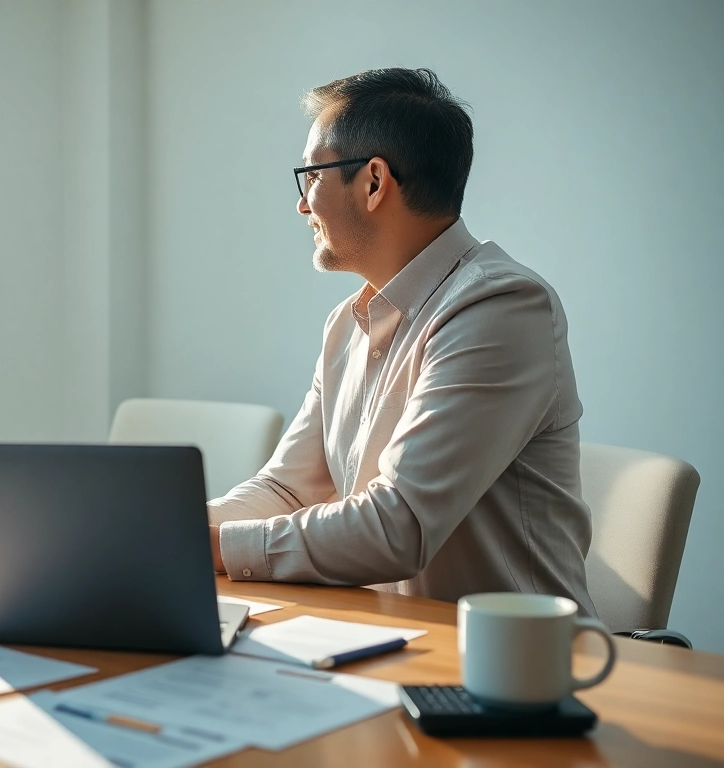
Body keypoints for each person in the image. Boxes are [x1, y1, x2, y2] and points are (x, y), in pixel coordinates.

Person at [207, 68, 595, 614]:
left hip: (515, 669)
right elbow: (291, 489)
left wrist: (218, 548)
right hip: (397, 641)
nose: (302, 205)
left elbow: (399, 525)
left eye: (311, 177)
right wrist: (180, 529)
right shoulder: (347, 322)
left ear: (373, 182)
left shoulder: (502, 307)